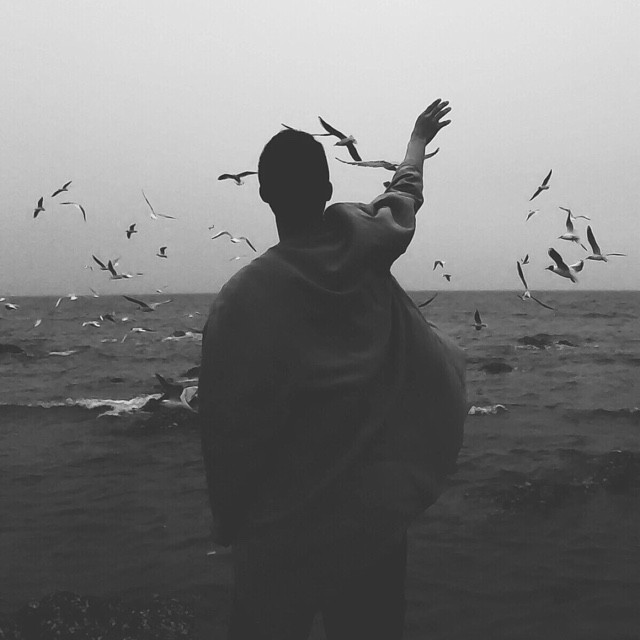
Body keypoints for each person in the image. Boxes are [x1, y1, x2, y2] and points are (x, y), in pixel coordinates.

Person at [199, 99, 467, 640]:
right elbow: (405, 190)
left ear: (263, 192)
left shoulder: (241, 300)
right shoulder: (367, 244)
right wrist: (417, 138)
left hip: (282, 532)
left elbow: (227, 428)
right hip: (373, 522)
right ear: (327, 188)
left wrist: (227, 519)